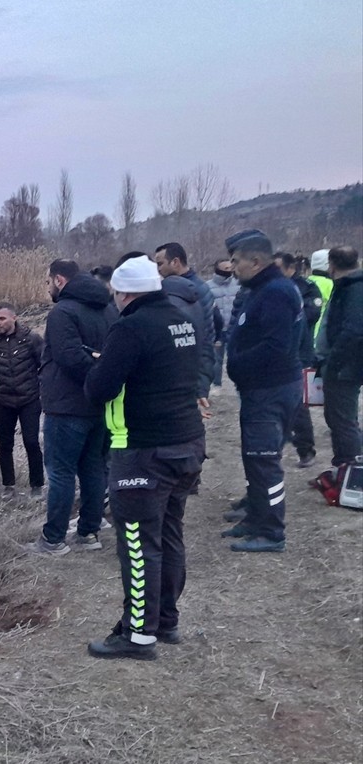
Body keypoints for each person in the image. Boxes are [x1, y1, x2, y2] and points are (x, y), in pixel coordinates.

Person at [83, 256, 204, 660]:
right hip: (186, 443)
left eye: (116, 293)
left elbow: (98, 389)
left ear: (125, 292)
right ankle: (166, 620)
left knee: (137, 542)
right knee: (169, 534)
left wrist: (99, 366)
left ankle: (137, 634)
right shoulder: (181, 318)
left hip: (143, 450)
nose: (115, 300)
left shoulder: (131, 327)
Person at [27, 260, 116, 555]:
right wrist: (101, 376)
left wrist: (92, 372)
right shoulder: (109, 308)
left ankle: (53, 540)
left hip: (66, 408)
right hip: (100, 406)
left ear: (60, 280)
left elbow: (68, 358)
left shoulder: (62, 312)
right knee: (93, 468)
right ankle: (89, 533)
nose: (47, 287)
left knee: (61, 472)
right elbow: (109, 354)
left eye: (48, 281)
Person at [222, 233, 303, 553]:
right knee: (254, 458)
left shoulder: (276, 293)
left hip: (270, 390)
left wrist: (238, 362)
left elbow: (276, 346)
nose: (232, 266)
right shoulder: (262, 289)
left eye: (237, 261)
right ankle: (256, 517)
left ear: (256, 262)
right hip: (259, 390)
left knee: (265, 461)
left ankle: (271, 532)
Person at [0, 302, 45, 497]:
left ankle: (37, 485)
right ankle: (9, 485)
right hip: (3, 400)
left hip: (30, 399)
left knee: (31, 442)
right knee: (4, 443)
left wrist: (42, 390)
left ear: (13, 318)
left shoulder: (31, 339)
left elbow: (45, 366)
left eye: (2, 319)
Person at [275, 252, 322, 468]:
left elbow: (310, 314)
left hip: (299, 354)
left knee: (298, 405)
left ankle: (305, 449)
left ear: (289, 267)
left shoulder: (307, 288)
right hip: (274, 355)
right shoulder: (269, 288)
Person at [318, 246, 363, 468]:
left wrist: (333, 361)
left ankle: (351, 473)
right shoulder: (349, 285)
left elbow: (354, 330)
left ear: (332, 264)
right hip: (344, 365)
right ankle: (343, 467)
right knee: (339, 418)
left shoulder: (354, 288)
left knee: (343, 421)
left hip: (345, 367)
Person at [155, 243, 215, 404]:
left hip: (188, 378)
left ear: (175, 262)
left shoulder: (197, 291)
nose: (158, 269)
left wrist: (201, 386)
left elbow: (206, 338)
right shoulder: (170, 290)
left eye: (160, 263)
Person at [207, 259, 238, 388]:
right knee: (216, 359)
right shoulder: (208, 286)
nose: (229, 271)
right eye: (225, 269)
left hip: (233, 328)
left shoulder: (238, 284)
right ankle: (216, 384)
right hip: (216, 329)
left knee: (235, 357)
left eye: (230, 268)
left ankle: (237, 383)